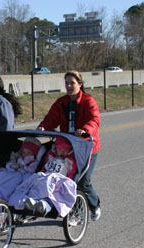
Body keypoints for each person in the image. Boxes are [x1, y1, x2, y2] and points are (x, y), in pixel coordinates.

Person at [37, 70, 101, 221]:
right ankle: (75, 213)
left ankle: (94, 205)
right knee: (67, 180)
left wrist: (85, 130)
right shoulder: (61, 102)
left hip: (87, 147)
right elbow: (51, 118)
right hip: (67, 147)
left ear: (80, 84)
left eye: (72, 83)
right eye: (67, 83)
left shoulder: (88, 101)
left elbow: (95, 120)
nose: (69, 86)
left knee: (83, 182)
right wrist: (43, 127)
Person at [15, 136, 78, 217]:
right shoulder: (51, 155)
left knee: (52, 196)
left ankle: (44, 206)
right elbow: (45, 166)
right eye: (60, 149)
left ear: (69, 150)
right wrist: (43, 171)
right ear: (56, 149)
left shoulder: (69, 160)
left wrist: (66, 182)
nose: (62, 151)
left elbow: (71, 173)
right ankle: (32, 202)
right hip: (46, 177)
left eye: (64, 150)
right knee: (36, 183)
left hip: (59, 181)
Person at [0, 137, 42, 209]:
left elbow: (32, 170)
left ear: (34, 153)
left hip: (21, 176)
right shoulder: (18, 158)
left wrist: (22, 167)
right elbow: (8, 164)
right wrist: (12, 165)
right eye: (24, 152)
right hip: (10, 173)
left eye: (29, 153)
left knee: (6, 187)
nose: (26, 154)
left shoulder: (34, 162)